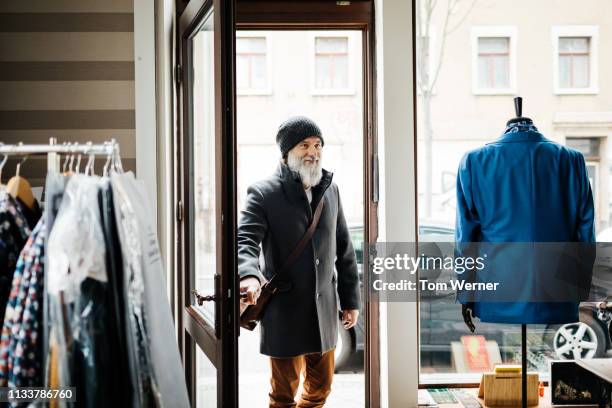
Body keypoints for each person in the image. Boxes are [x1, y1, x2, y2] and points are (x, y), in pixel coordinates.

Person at [238, 116, 361, 407]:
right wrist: (249, 275)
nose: (313, 151)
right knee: (282, 395)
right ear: (286, 152)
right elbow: (245, 241)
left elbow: (343, 249)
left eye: (318, 145)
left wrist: (351, 301)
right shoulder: (263, 192)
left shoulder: (331, 190)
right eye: (304, 145)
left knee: (321, 390)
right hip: (285, 311)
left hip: (325, 311)